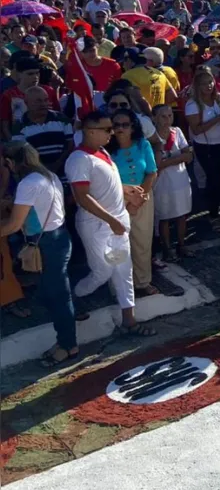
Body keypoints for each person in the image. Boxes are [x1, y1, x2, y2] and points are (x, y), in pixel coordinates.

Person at [66, 111, 154, 336]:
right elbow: (83, 196)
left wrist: (127, 190)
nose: (112, 133)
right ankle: (73, 298)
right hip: (96, 226)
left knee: (124, 271)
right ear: (90, 131)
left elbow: (107, 184)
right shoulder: (79, 160)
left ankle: (130, 321)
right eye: (107, 129)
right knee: (102, 272)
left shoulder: (102, 152)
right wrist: (111, 220)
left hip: (116, 223)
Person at [1, 142, 76, 366]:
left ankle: (68, 345)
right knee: (52, 294)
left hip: (47, 244)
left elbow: (14, 225)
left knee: (58, 298)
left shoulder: (27, 183)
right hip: (57, 238)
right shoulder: (49, 176)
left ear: (10, 163)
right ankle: (64, 338)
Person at [107, 108, 160, 297]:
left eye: (125, 124)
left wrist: (138, 199)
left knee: (142, 241)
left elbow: (151, 172)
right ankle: (119, 285)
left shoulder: (142, 145)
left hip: (142, 195)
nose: (121, 129)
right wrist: (126, 197)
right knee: (117, 243)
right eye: (116, 125)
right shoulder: (106, 151)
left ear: (132, 126)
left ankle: (142, 281)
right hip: (116, 199)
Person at [184, 69, 220, 230]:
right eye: (204, 83)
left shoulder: (219, 99)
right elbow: (197, 129)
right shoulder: (192, 105)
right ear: (197, 86)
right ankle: (213, 214)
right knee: (214, 180)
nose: (209, 86)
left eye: (211, 82)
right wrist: (218, 119)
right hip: (206, 147)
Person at [152, 104, 194, 262]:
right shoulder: (151, 137)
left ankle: (182, 245)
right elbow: (157, 165)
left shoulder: (177, 132)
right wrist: (177, 159)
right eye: (163, 116)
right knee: (164, 217)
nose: (167, 120)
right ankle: (167, 248)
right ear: (154, 118)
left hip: (180, 180)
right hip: (162, 183)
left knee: (182, 215)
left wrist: (168, 160)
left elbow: (188, 156)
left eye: (170, 116)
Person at [12, 86, 73, 175]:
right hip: (36, 176)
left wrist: (57, 164)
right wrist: (42, 169)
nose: (43, 104)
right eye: (38, 101)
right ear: (26, 103)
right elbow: (22, 153)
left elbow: (70, 144)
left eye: (46, 100)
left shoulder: (61, 119)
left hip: (65, 174)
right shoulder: (19, 126)